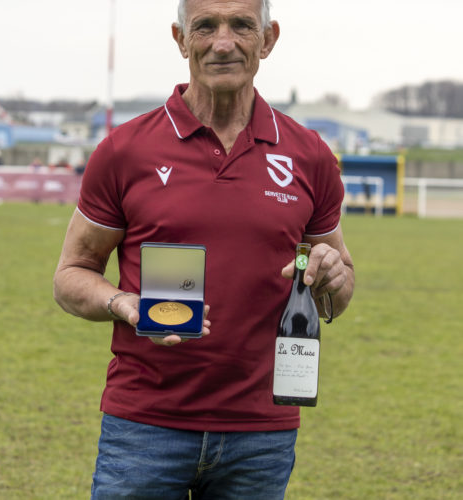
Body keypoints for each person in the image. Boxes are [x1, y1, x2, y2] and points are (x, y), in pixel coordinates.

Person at [53, 0, 355, 498]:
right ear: (180, 39)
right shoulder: (125, 150)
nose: (223, 43)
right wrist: (122, 303)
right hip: (145, 425)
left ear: (268, 39)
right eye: (205, 26)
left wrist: (334, 278)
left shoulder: (310, 155)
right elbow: (71, 275)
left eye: (241, 25)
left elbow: (336, 292)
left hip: (261, 433)